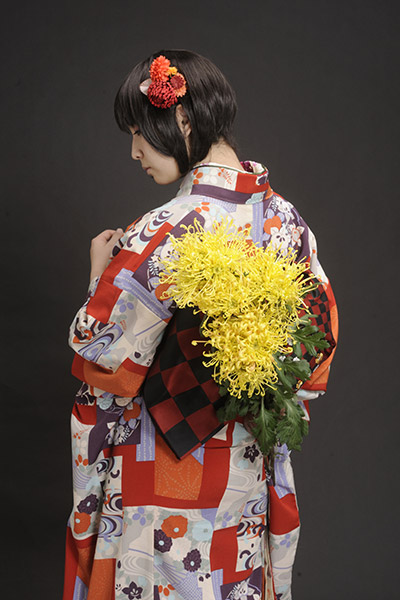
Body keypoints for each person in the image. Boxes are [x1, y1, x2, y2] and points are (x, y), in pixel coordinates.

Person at [63, 50, 338, 600]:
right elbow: (315, 352)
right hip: (245, 469)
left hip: (161, 466)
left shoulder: (163, 228)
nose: (134, 152)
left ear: (183, 119)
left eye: (139, 133)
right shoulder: (287, 221)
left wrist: (97, 275)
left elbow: (103, 354)